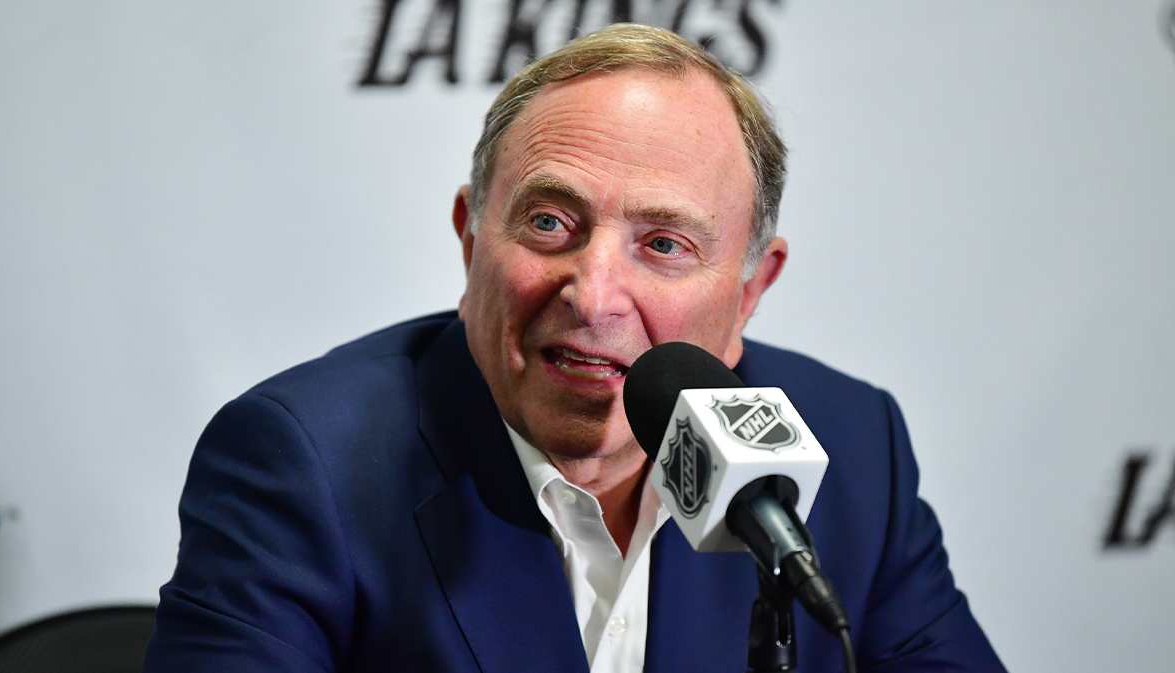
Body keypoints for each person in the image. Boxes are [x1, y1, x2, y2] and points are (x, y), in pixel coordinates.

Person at [143, 24, 1006, 673]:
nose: (592, 295)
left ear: (749, 292)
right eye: (550, 222)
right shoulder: (304, 465)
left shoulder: (851, 451)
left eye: (664, 244)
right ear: (470, 236)